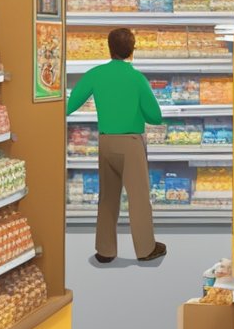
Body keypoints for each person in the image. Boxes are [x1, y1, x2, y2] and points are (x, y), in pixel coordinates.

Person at [66, 28, 167, 263]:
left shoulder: (96, 74)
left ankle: (105, 250)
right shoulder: (137, 78)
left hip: (106, 142)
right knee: (138, 198)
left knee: (108, 197)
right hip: (131, 143)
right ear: (132, 50)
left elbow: (70, 104)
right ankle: (145, 249)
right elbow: (155, 116)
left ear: (108, 48)